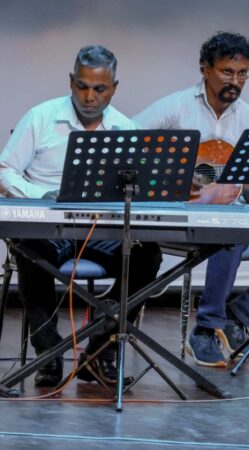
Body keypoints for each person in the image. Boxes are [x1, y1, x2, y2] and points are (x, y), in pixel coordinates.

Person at [134, 32, 249, 367]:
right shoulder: (175, 108)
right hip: (184, 213)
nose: (235, 81)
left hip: (234, 210)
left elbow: (248, 189)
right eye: (226, 72)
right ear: (205, 69)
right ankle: (206, 329)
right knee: (231, 231)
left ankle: (239, 316)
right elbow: (126, 147)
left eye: (242, 74)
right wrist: (172, 177)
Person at [0, 45, 163, 387]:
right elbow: (4, 171)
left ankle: (100, 351)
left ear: (114, 88)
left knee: (147, 255)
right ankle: (49, 355)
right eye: (82, 86)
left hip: (101, 231)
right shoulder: (41, 117)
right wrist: (39, 194)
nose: (89, 96)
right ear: (71, 81)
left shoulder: (125, 129)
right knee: (28, 251)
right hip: (49, 227)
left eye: (99, 89)